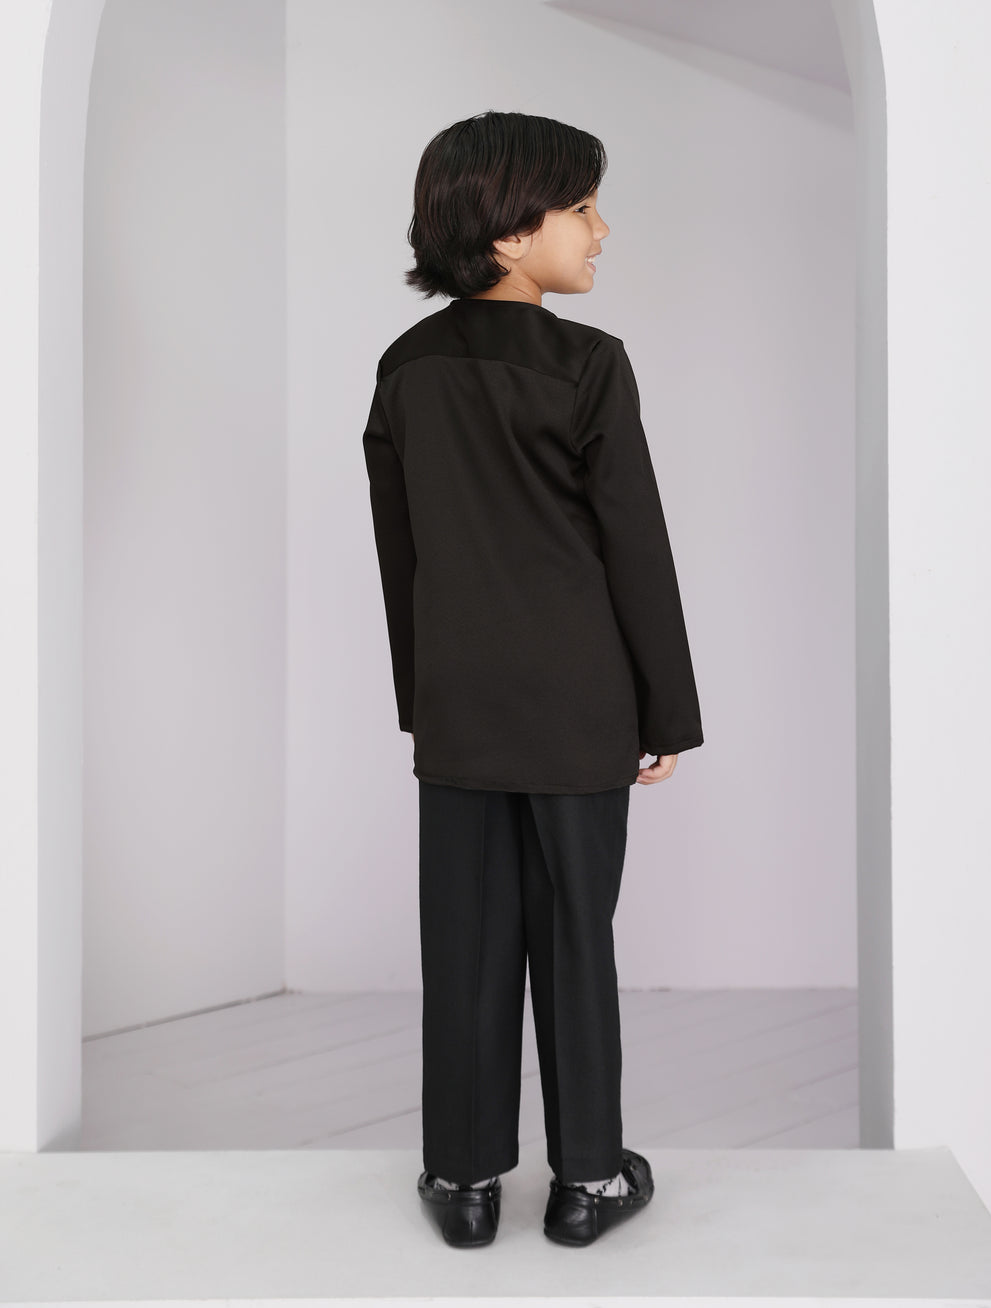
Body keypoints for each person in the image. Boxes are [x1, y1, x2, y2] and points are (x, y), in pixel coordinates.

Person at [362, 110, 703, 1247]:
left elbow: (402, 556)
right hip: (578, 708)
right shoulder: (589, 365)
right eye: (583, 209)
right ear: (511, 233)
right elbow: (634, 548)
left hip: (462, 709)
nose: (602, 230)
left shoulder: (405, 369)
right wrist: (664, 711)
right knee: (573, 941)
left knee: (462, 944)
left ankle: (463, 1183)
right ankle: (587, 1181)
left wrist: (426, 701)